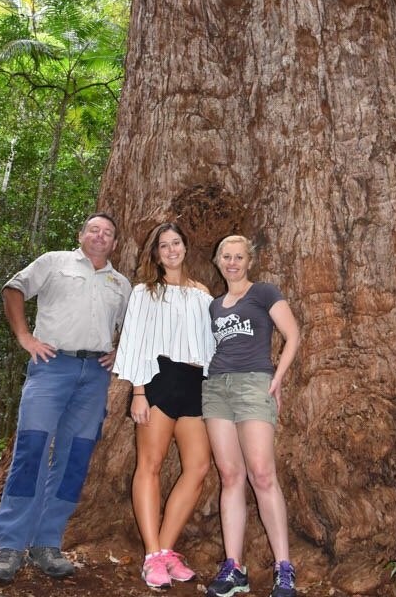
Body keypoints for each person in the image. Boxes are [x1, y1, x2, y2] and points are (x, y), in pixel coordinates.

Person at [0, 213, 131, 585]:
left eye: (108, 233)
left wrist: (120, 349)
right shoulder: (54, 262)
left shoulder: (121, 283)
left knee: (75, 457)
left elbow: (133, 325)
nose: (100, 236)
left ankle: (47, 543)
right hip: (51, 367)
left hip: (94, 376)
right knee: (32, 449)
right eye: (94, 230)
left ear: (115, 243)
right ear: (81, 235)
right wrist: (25, 337)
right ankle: (12, 546)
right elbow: (13, 289)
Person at [113, 222, 215, 590]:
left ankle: (165, 550)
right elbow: (136, 342)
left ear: (186, 247)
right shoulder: (144, 292)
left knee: (199, 467)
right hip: (158, 379)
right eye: (164, 245)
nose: (171, 250)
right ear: (155, 254)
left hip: (194, 383)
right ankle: (152, 554)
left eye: (176, 243)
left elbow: (209, 346)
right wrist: (139, 392)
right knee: (151, 465)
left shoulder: (202, 293)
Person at [203, 235, 300, 597]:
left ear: (249, 261)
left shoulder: (263, 293)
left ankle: (284, 568)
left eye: (239, 257)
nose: (232, 262)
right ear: (217, 260)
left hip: (253, 384)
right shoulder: (214, 306)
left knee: (262, 474)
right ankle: (234, 567)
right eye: (226, 256)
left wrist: (277, 379)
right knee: (230, 476)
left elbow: (292, 335)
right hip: (216, 389)